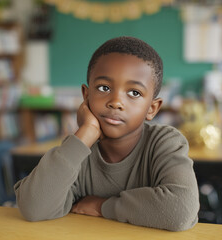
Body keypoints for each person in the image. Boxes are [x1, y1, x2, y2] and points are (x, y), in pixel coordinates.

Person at [14, 36, 199, 231]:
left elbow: (180, 210)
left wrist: (102, 206)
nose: (116, 102)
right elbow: (33, 207)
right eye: (104, 88)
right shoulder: (77, 150)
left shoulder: (164, 142)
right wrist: (86, 132)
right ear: (86, 96)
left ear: (152, 108)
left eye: (134, 93)